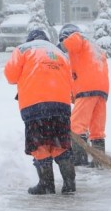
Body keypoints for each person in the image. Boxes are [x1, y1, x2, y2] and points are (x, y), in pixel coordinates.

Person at [4, 29, 76, 195]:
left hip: (35, 106)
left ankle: (46, 184)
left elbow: (11, 76)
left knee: (40, 144)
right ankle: (69, 183)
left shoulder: (23, 49)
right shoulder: (60, 53)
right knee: (60, 144)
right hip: (61, 106)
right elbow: (71, 82)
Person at [58, 24, 109, 167]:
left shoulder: (77, 39)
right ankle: (100, 160)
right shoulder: (94, 48)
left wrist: (61, 46)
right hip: (101, 91)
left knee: (76, 125)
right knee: (97, 128)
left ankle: (79, 159)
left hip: (87, 89)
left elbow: (73, 41)